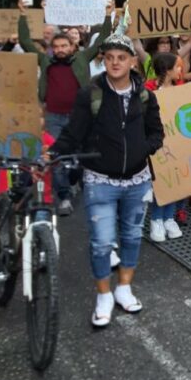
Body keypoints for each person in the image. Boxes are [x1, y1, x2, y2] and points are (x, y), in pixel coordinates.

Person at [48, 33, 163, 328]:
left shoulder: (146, 95)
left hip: (138, 181)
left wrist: (144, 148)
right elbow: (73, 132)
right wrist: (54, 152)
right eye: (110, 57)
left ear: (132, 61)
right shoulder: (91, 94)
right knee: (100, 243)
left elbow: (157, 133)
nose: (115, 62)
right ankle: (103, 295)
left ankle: (124, 288)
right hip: (100, 180)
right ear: (104, 59)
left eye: (121, 57)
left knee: (132, 237)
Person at [19, 0, 113, 215]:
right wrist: (24, 15)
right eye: (57, 46)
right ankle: (63, 197)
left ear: (72, 46)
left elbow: (102, 41)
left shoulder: (82, 58)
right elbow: (25, 43)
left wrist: (108, 14)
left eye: (65, 45)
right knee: (57, 158)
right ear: (52, 48)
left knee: (79, 158)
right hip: (54, 117)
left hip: (80, 118)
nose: (61, 49)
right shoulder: (46, 61)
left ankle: (73, 182)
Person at [143, 53, 185, 243]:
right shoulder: (148, 89)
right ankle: (156, 219)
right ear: (167, 70)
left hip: (178, 142)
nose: (180, 71)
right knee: (162, 180)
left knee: (176, 179)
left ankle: (169, 217)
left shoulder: (181, 88)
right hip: (157, 143)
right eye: (177, 67)